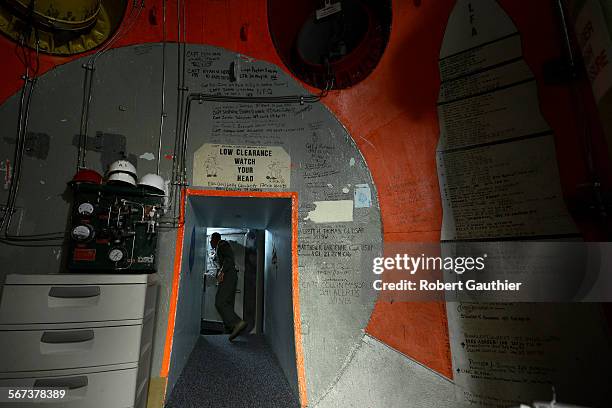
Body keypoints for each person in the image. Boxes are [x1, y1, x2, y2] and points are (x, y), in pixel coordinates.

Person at [210, 232, 247, 341]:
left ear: (215, 239)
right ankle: (230, 329)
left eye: (211, 240)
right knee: (228, 303)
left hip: (228, 275)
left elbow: (229, 259)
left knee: (220, 302)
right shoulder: (220, 246)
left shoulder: (222, 244)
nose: (210, 242)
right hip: (231, 276)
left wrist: (221, 271)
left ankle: (237, 323)